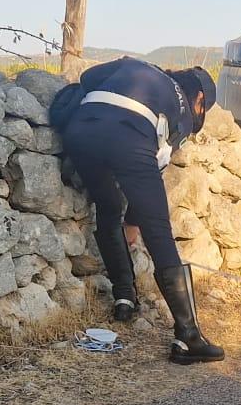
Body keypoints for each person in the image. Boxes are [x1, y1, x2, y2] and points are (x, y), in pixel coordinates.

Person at [52, 58, 224, 363]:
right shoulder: (182, 111)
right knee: (158, 229)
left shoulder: (136, 67)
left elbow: (90, 75)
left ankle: (124, 297)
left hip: (80, 133)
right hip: (128, 140)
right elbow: (154, 170)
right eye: (204, 109)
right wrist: (134, 223)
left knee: (107, 206)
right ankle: (189, 337)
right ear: (199, 98)